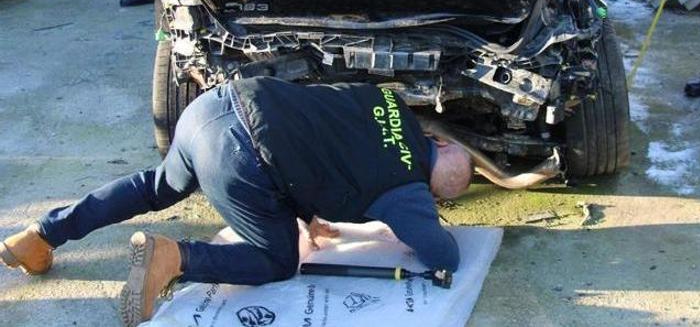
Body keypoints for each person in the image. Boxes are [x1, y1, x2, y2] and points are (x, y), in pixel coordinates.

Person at [0, 78, 473, 327]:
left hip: (212, 107)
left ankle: (41, 234)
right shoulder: (410, 193)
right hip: (241, 158)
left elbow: (319, 130)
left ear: (439, 140)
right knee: (278, 259)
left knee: (153, 187)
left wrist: (309, 210)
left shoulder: (386, 102)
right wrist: (422, 216)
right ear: (432, 192)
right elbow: (443, 255)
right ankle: (175, 257)